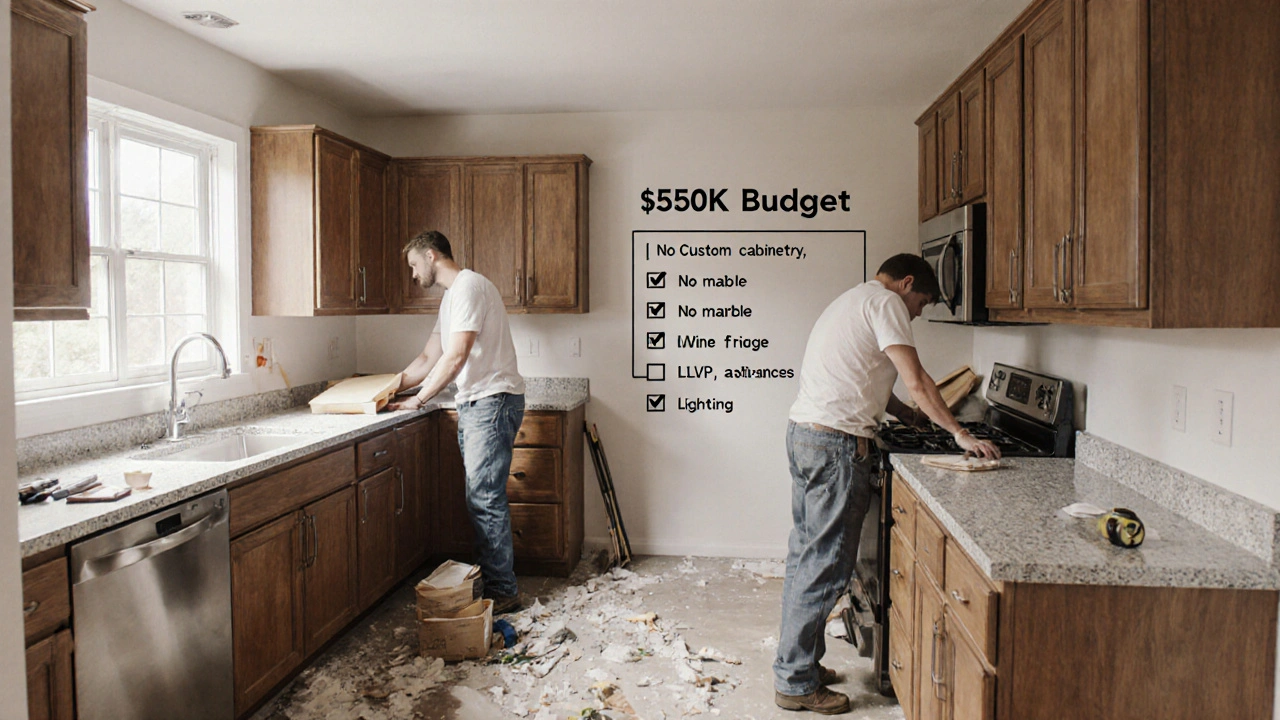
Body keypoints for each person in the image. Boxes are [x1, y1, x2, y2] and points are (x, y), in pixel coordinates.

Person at [773, 253, 1000, 715]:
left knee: (806, 559)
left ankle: (800, 667)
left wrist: (911, 417)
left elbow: (872, 380)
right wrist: (959, 433)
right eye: (923, 302)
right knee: (826, 567)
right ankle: (795, 683)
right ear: (907, 284)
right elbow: (916, 379)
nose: (919, 312)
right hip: (836, 445)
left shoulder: (855, 300)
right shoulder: (888, 305)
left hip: (807, 435)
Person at [387, 230, 527, 614]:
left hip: (492, 402)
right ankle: (495, 583)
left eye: (414, 265)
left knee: (484, 498)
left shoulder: (469, 287)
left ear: (431, 256)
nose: (414, 275)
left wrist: (418, 399)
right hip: (476, 404)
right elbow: (429, 357)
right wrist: (388, 388)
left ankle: (503, 591)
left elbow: (456, 356)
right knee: (480, 498)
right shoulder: (451, 298)